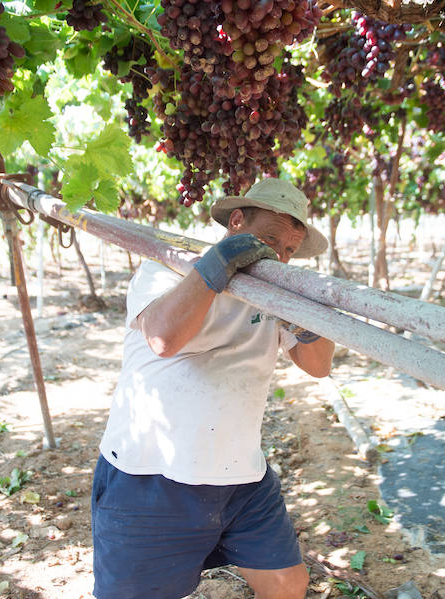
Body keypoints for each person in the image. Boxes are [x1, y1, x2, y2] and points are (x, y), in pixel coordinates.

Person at [91, 178, 335, 599]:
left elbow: (319, 366)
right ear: (236, 221)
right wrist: (215, 266)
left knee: (287, 584)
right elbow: (163, 340)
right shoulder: (167, 266)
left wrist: (302, 314)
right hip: (152, 475)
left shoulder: (275, 289)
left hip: (240, 477)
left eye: (289, 250)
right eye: (270, 238)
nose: (277, 255)